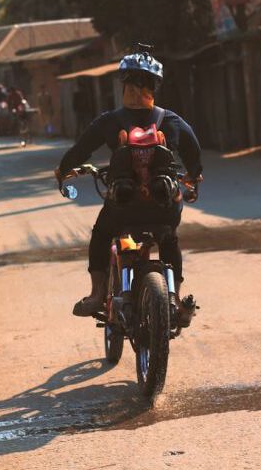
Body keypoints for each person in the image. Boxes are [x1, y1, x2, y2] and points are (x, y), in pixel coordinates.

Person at [55, 46, 203, 318]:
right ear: (154, 87)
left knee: (101, 234)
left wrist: (63, 171)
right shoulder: (171, 120)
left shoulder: (110, 122)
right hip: (163, 206)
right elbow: (193, 151)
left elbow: (80, 151)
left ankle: (98, 295)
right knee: (168, 239)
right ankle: (176, 298)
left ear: (124, 85)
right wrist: (193, 177)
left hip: (122, 208)